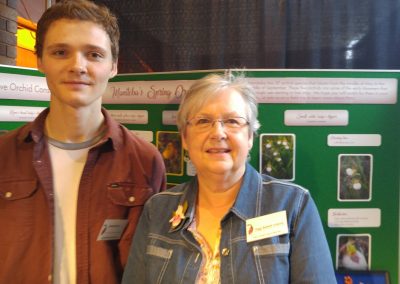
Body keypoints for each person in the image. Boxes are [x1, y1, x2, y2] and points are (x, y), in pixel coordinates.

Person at [0, 0, 166, 283]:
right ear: (41, 61)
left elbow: (153, 267)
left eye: (94, 54)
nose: (78, 65)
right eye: (61, 52)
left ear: (114, 65)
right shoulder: (3, 157)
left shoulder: (145, 162)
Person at [122, 72, 336, 283]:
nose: (218, 133)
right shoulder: (158, 209)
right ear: (185, 139)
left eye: (232, 121)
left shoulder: (293, 206)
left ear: (250, 136)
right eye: (203, 121)